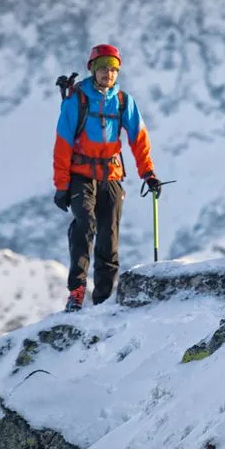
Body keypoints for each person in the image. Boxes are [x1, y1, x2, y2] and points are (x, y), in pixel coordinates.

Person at [52, 44, 162, 312]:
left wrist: (148, 174)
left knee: (109, 236)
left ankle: (103, 297)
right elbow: (63, 143)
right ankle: (77, 290)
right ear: (92, 69)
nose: (108, 74)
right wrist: (62, 185)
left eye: (113, 69)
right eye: (103, 68)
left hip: (111, 175)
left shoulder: (124, 101)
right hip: (80, 176)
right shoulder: (77, 100)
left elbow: (139, 140)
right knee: (84, 223)